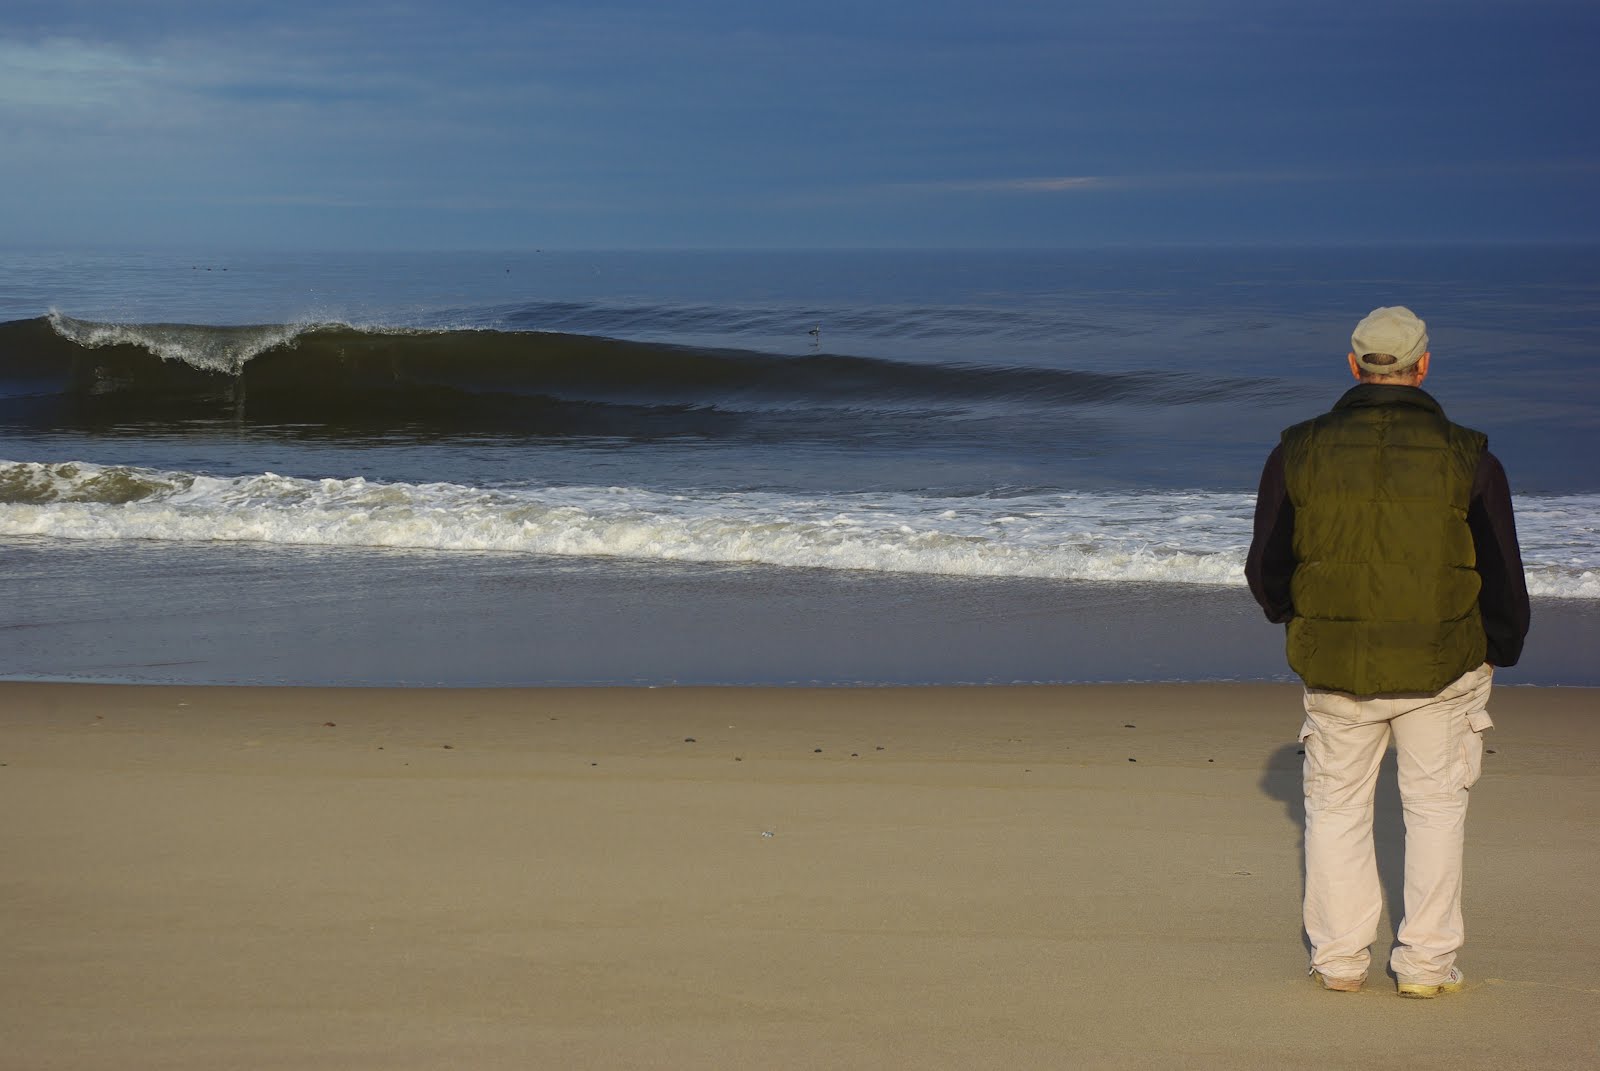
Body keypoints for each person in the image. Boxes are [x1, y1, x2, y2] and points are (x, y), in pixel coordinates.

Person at [1246, 305, 1530, 998]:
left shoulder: (1297, 450)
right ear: (1423, 365)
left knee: (1335, 808)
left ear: (1354, 365)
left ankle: (1341, 959)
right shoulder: (1470, 454)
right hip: (1443, 663)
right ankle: (1426, 965)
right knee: (1434, 810)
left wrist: (1295, 615)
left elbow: (1267, 564)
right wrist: (1500, 645)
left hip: (1336, 664)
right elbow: (1502, 569)